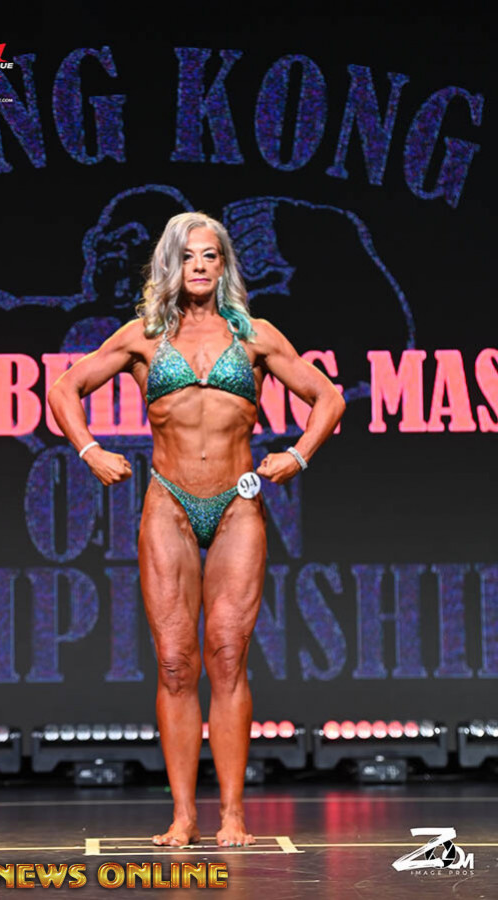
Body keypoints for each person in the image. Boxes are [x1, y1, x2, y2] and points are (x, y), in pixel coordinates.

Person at [47, 212, 346, 847]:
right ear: (171, 265)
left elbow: (330, 397)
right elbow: (66, 387)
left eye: (211, 255)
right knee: (176, 662)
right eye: (188, 256)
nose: (201, 266)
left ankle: (232, 814)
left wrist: (297, 456)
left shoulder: (254, 335)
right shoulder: (144, 336)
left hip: (237, 506)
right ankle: (183, 814)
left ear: (224, 264)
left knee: (229, 656)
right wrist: (89, 451)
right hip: (170, 504)